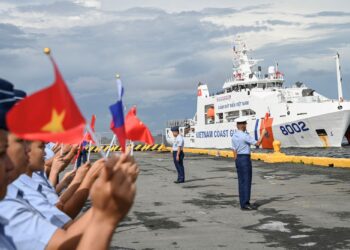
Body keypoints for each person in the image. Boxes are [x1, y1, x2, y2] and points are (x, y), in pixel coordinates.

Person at [231, 117, 266, 211]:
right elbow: (257, 144)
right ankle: (246, 204)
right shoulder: (244, 136)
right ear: (242, 125)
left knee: (241, 182)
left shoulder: (234, 136)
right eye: (245, 124)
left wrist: (236, 160)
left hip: (238, 158)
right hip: (245, 158)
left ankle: (242, 203)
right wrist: (263, 134)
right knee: (246, 181)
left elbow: (234, 150)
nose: (246, 125)